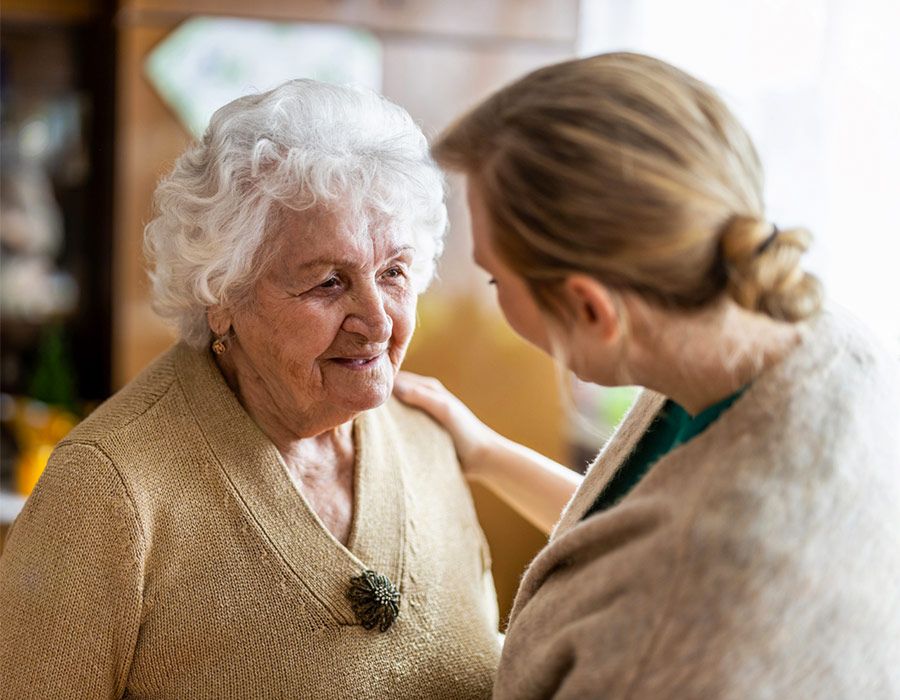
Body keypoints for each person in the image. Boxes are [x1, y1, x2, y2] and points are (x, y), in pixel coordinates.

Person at [395, 52, 900, 699]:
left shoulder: (684, 624)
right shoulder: (797, 332)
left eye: (495, 277)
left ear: (589, 308)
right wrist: (485, 453)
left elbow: (665, 577)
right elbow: (632, 534)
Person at [0, 80, 500, 699]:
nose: (377, 321)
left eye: (393, 272)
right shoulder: (107, 491)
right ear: (222, 296)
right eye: (327, 283)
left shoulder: (429, 438)